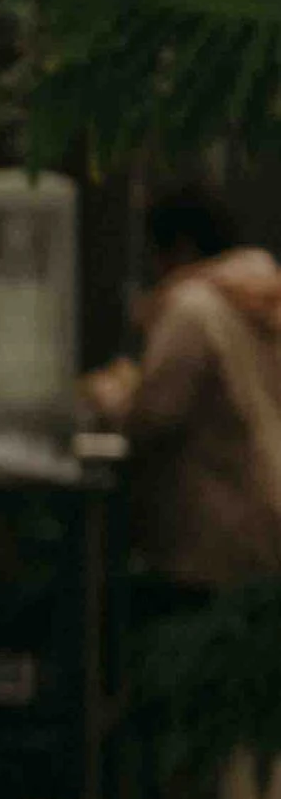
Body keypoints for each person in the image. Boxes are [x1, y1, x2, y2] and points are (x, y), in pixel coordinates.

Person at [83, 191, 281, 588]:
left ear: (181, 249)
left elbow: (155, 414)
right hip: (266, 507)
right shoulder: (262, 300)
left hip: (213, 529)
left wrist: (111, 396)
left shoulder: (194, 308)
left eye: (156, 254)